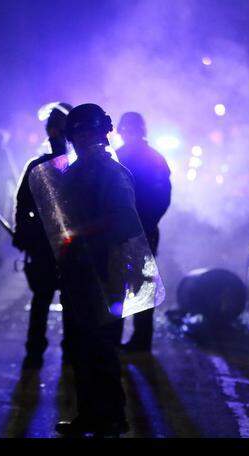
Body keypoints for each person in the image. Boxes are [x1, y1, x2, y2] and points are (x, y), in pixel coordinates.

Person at [52, 103, 142, 437]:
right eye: (78, 134)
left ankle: (113, 418)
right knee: (80, 346)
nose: (83, 139)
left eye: (89, 132)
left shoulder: (111, 173)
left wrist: (79, 235)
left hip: (105, 270)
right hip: (78, 269)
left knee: (101, 347)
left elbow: (123, 220)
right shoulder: (76, 171)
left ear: (102, 133)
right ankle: (89, 414)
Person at [13, 102, 73, 369]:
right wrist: (24, 233)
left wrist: (23, 233)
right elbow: (23, 204)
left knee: (59, 301)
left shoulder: (77, 166)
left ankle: (50, 351)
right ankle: (40, 351)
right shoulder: (43, 166)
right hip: (47, 245)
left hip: (69, 245)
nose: (55, 135)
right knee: (46, 300)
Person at [114, 111, 171, 351]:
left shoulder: (119, 157)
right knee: (132, 287)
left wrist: (141, 223)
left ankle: (131, 340)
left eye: (130, 129)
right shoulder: (150, 157)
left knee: (129, 287)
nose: (128, 133)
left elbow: (162, 198)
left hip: (131, 231)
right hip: (134, 231)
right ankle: (137, 340)